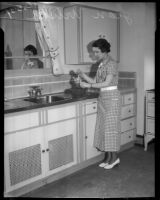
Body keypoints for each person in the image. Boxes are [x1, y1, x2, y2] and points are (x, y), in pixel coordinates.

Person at [77, 38, 121, 169]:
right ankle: (108, 158)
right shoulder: (101, 64)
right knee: (103, 129)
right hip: (103, 97)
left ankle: (115, 158)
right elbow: (95, 80)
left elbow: (106, 83)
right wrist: (83, 75)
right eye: (93, 52)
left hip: (112, 98)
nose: (94, 55)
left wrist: (88, 84)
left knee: (111, 130)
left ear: (104, 51)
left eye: (96, 52)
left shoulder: (111, 64)